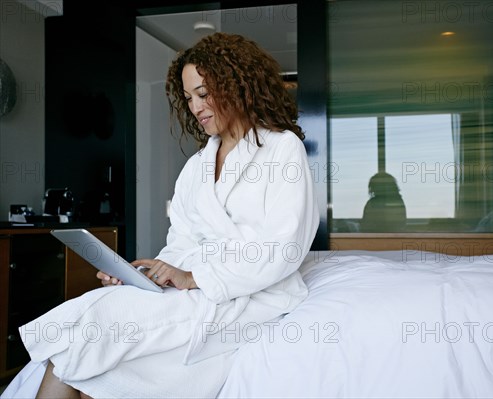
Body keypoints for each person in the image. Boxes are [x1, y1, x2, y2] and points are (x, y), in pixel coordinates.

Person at [3, 32, 318, 399]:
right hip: (197, 287)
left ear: (238, 84)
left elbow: (284, 247)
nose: (196, 107)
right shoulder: (195, 167)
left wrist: (194, 277)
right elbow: (181, 242)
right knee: (94, 337)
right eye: (188, 99)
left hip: (251, 291)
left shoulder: (282, 149)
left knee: (90, 329)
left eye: (203, 93)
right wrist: (151, 274)